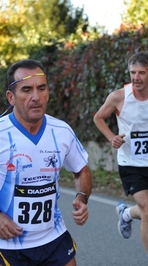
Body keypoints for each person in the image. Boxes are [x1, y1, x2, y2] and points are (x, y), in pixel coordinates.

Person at [0, 59, 92, 266]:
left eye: (41, 88)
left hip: (54, 239)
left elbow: (81, 170)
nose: (36, 97)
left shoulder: (62, 131)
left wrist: (82, 197)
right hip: (7, 246)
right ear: (11, 97)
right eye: (26, 90)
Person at [93, 52, 148, 266]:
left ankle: (126, 213)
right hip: (130, 164)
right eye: (132, 73)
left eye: (141, 73)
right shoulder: (119, 96)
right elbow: (98, 117)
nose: (136, 78)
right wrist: (112, 138)